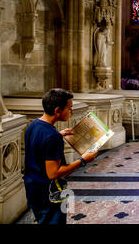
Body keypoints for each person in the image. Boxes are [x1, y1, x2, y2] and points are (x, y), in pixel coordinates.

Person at [23, 89, 98, 224]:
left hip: (33, 189)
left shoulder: (34, 125)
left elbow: (40, 147)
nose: (72, 111)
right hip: (49, 195)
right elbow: (53, 173)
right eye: (69, 108)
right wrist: (83, 160)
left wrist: (59, 134)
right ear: (57, 111)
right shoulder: (52, 137)